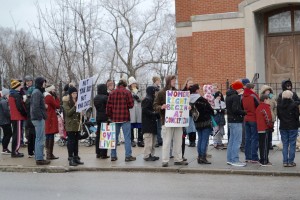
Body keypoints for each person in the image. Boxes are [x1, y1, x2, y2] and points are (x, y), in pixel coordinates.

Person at [154, 75, 188, 167]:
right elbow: (155, 105)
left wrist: (186, 107)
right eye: (173, 80)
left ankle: (178, 159)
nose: (174, 82)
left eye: (175, 80)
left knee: (178, 141)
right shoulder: (161, 92)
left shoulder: (178, 92)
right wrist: (161, 107)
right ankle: (165, 160)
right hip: (167, 121)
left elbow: (182, 104)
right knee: (167, 141)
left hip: (178, 121)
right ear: (168, 81)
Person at [106, 79, 136, 162]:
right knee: (127, 138)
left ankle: (113, 156)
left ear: (117, 85)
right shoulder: (127, 92)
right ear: (125, 85)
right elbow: (131, 105)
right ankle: (128, 156)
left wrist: (109, 116)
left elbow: (108, 107)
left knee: (114, 138)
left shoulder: (112, 93)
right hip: (125, 117)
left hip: (115, 118)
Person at [190, 84, 213, 164]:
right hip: (205, 121)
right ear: (196, 90)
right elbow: (210, 109)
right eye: (198, 89)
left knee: (200, 139)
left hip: (197, 121)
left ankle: (199, 157)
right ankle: (203, 157)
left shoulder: (189, 100)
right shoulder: (201, 99)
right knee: (204, 140)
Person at [226, 80, 247, 167]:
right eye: (241, 88)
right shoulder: (235, 97)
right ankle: (235, 159)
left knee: (231, 141)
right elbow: (235, 109)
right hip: (236, 120)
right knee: (237, 141)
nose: (242, 90)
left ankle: (230, 159)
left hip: (231, 120)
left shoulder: (228, 96)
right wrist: (244, 112)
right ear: (237, 88)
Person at [31, 77, 50, 165]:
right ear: (40, 83)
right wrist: (40, 116)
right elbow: (35, 107)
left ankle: (39, 157)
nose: (45, 85)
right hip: (38, 119)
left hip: (38, 118)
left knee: (39, 138)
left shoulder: (38, 92)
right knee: (40, 139)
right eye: (43, 83)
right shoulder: (37, 92)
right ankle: (39, 158)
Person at [277, 90, 299, 167]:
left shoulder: (279, 106)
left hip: (283, 126)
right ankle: (291, 161)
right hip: (293, 126)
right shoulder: (294, 105)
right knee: (292, 144)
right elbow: (297, 116)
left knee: (285, 144)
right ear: (291, 96)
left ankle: (285, 161)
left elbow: (279, 116)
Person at [63, 86, 84, 166]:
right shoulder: (66, 102)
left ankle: (76, 157)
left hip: (77, 125)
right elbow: (68, 113)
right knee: (71, 142)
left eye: (76, 93)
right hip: (70, 125)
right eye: (73, 93)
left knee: (76, 142)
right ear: (70, 94)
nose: (75, 95)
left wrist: (81, 113)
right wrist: (75, 106)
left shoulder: (78, 100)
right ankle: (70, 158)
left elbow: (77, 114)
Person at [9, 79, 27, 158]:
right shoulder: (17, 95)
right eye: (20, 85)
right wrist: (25, 114)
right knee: (18, 135)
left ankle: (14, 151)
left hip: (14, 117)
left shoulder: (11, 94)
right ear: (16, 87)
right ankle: (15, 151)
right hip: (18, 117)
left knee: (15, 134)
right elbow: (20, 107)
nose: (21, 87)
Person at [242, 83, 260, 163]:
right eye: (254, 88)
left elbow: (242, 107)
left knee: (247, 138)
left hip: (246, 118)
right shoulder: (253, 96)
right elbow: (258, 106)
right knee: (254, 138)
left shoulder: (242, 96)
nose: (255, 90)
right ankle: (254, 157)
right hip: (253, 118)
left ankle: (247, 157)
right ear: (251, 88)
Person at [142, 86, 160, 161]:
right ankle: (147, 155)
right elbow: (145, 110)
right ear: (152, 91)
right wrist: (154, 113)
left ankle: (151, 154)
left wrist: (157, 114)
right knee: (148, 140)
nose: (156, 93)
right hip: (147, 123)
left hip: (152, 123)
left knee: (153, 141)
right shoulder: (147, 99)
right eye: (155, 91)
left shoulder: (153, 99)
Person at [256, 94, 273, 166]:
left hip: (260, 128)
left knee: (261, 145)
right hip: (265, 128)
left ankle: (262, 159)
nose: (269, 101)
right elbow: (268, 118)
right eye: (268, 99)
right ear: (265, 99)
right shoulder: (265, 107)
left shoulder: (259, 107)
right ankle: (265, 161)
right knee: (265, 146)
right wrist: (270, 126)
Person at [94, 84, 110, 159]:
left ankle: (98, 152)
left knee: (98, 135)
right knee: (105, 136)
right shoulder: (106, 97)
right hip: (105, 117)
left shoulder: (96, 97)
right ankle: (104, 153)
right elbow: (108, 107)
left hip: (98, 117)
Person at [44, 85, 60, 160]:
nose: (54, 91)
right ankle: (49, 154)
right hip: (50, 117)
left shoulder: (45, 96)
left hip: (48, 117)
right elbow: (57, 105)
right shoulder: (49, 97)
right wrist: (56, 98)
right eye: (53, 89)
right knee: (50, 136)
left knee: (48, 136)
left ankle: (49, 153)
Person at [259, 85, 277, 150]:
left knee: (270, 131)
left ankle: (270, 143)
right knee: (265, 131)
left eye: (269, 90)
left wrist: (274, 114)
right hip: (264, 116)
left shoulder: (272, 98)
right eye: (267, 90)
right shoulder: (261, 98)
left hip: (271, 116)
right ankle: (264, 144)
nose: (268, 91)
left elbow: (275, 107)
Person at [128, 77, 143, 147]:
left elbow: (142, 99)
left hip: (139, 110)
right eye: (133, 83)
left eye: (135, 83)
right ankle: (132, 140)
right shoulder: (128, 92)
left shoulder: (139, 91)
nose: (134, 85)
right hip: (132, 111)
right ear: (130, 85)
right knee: (131, 126)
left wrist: (138, 98)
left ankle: (140, 140)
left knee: (140, 126)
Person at [183, 77, 196, 148]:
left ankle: (192, 141)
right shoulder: (183, 91)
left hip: (192, 112)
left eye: (192, 83)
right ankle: (189, 140)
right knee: (187, 127)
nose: (191, 85)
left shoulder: (194, 91)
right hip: (185, 112)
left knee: (192, 127)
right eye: (190, 83)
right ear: (186, 84)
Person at [0, 88, 12, 154]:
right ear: (6, 94)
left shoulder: (3, 101)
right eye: (8, 94)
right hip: (5, 121)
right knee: (9, 134)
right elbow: (6, 111)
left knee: (6, 134)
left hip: (3, 121)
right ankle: (5, 148)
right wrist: (11, 116)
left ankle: (4, 148)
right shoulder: (4, 102)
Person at [25, 87, 36, 158]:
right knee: (34, 136)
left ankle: (30, 152)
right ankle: (33, 151)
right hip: (32, 119)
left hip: (29, 119)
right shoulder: (32, 100)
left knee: (31, 136)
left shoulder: (27, 100)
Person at [152, 76, 163, 147]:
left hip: (159, 108)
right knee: (155, 126)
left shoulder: (159, 88)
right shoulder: (153, 88)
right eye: (159, 80)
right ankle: (156, 141)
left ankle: (159, 140)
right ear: (155, 81)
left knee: (159, 126)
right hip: (155, 109)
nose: (160, 81)